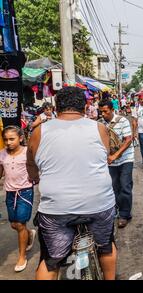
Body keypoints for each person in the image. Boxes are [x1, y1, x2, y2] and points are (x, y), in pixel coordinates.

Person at [27, 87, 117, 280]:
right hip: (99, 203)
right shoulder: (99, 128)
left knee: (51, 260)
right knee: (106, 247)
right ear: (85, 107)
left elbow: (31, 163)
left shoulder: (39, 131)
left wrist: (34, 176)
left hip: (56, 208)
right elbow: (105, 156)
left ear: (56, 107)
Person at [0, 126, 36, 272]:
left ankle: (22, 256)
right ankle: (30, 234)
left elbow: (36, 168)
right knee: (14, 224)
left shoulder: (27, 152)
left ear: (20, 138)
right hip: (9, 192)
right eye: (5, 139)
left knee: (20, 224)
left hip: (25, 192)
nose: (8, 142)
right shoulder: (2, 154)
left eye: (11, 139)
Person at [99, 100, 134, 228]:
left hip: (126, 159)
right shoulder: (100, 124)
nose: (103, 114)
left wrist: (115, 155)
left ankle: (124, 215)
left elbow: (128, 140)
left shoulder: (123, 121)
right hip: (110, 161)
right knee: (113, 187)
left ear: (112, 110)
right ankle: (116, 209)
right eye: (101, 111)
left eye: (105, 111)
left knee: (125, 185)